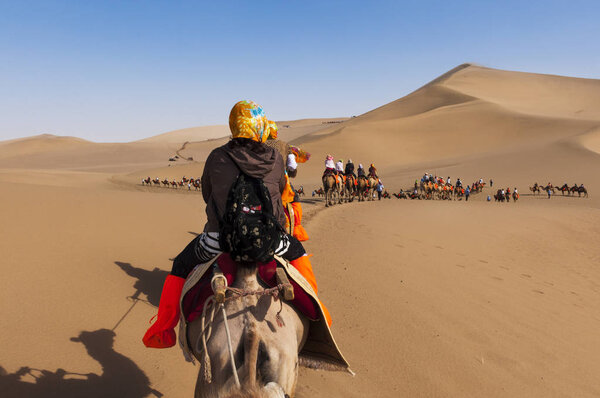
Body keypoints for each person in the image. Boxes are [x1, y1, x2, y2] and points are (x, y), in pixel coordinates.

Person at [143, 100, 329, 349]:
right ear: (260, 125)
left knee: (179, 266)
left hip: (219, 240)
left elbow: (207, 194)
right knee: (299, 253)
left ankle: (163, 329)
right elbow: (282, 190)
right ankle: (321, 318)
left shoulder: (217, 156)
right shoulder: (275, 157)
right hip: (271, 241)